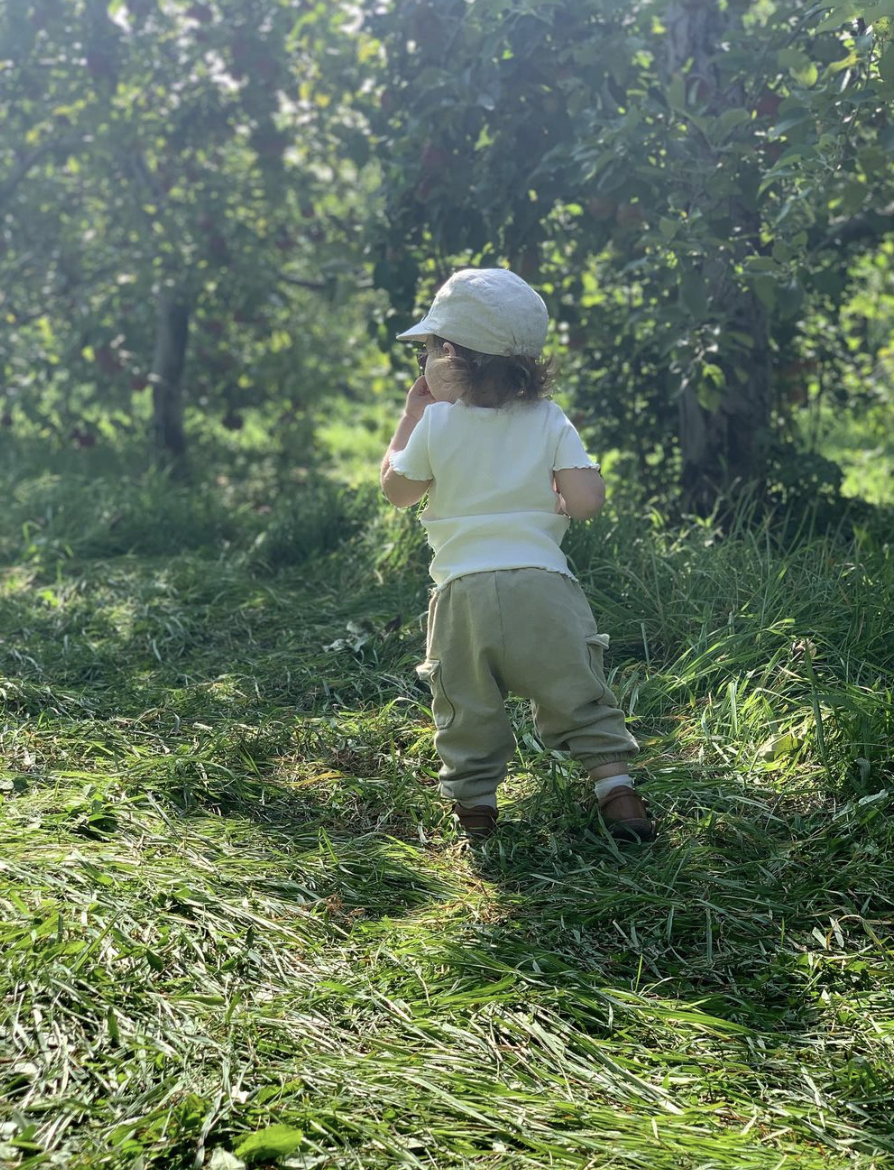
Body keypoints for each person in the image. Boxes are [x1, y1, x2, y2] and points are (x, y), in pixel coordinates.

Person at [380, 268, 653, 843]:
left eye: (426, 351)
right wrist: (558, 489)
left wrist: (408, 418)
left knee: (466, 703)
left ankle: (476, 810)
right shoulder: (548, 418)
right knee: (577, 690)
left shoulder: (434, 422)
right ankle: (618, 792)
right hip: (544, 587)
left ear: (449, 355)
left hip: (463, 596)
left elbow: (398, 491)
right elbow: (584, 502)